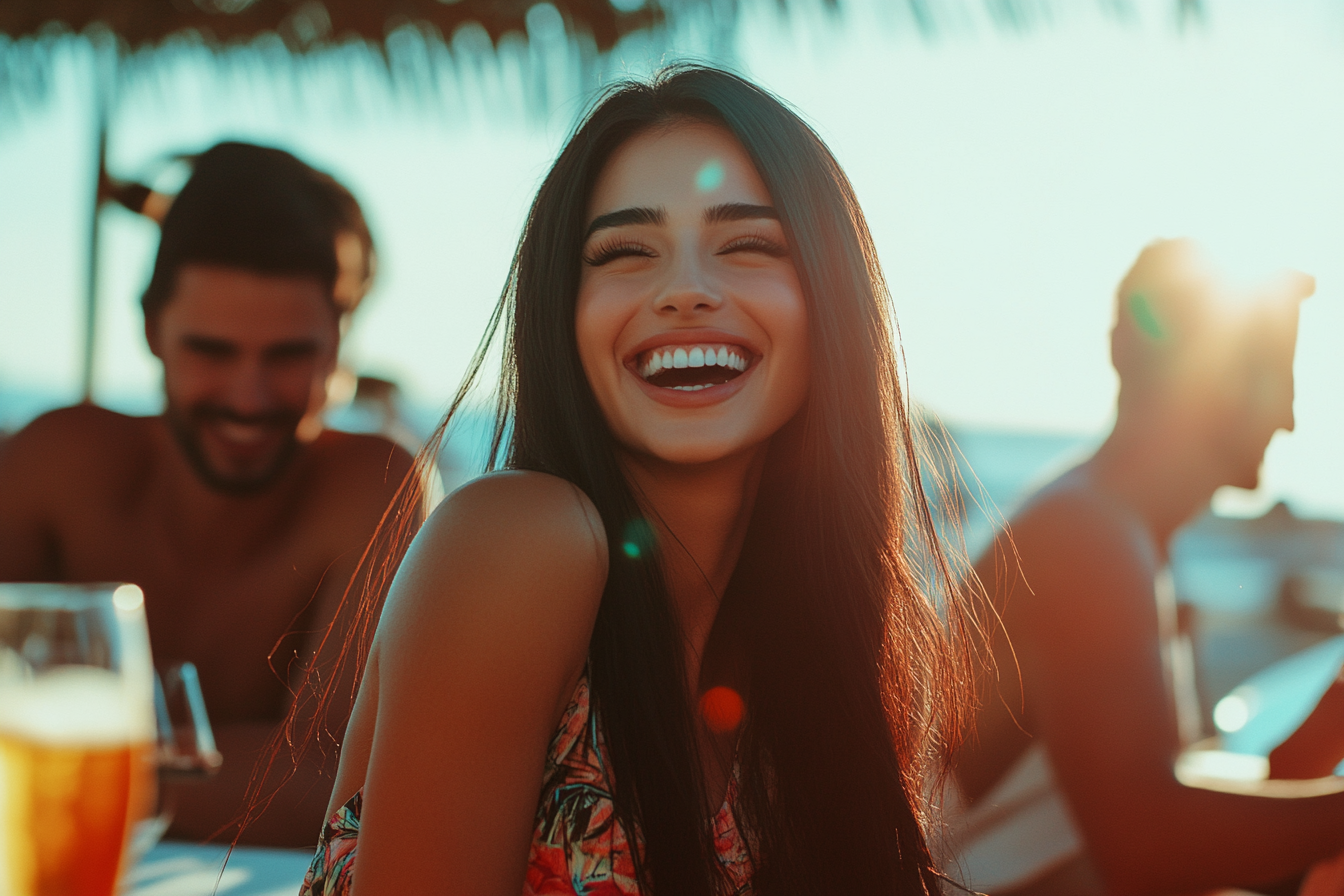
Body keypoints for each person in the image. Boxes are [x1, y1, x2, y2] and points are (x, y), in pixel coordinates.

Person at [297, 66, 980, 895]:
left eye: (749, 244)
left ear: (832, 299)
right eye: (625, 252)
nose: (686, 291)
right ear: (562, 312)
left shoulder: (821, 658)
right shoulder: (516, 540)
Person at [0, 142, 417, 847]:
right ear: (150, 330)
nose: (248, 398)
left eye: (288, 355)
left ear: (339, 346)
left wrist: (62, 766)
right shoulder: (57, 463)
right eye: (212, 351)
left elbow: (336, 783)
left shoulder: (372, 492)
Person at [951, 238, 1344, 895]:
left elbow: (1192, 804)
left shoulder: (1119, 534)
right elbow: (1147, 850)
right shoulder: (1086, 538)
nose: (1291, 415)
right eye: (1274, 370)